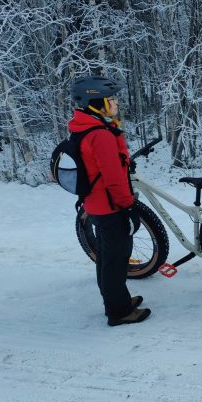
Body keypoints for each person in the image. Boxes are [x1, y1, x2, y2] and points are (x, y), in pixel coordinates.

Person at [69, 76, 150, 326]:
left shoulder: (82, 126)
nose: (115, 104)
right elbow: (114, 180)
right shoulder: (100, 135)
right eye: (111, 100)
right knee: (116, 260)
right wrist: (128, 206)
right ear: (96, 102)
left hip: (96, 205)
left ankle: (116, 299)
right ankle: (119, 311)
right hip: (110, 206)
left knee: (107, 257)